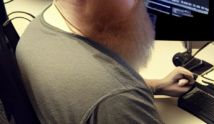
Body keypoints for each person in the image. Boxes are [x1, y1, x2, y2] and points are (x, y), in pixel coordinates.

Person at [16, 0, 195, 123]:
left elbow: (87, 93)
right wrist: (128, 92)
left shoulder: (41, 26)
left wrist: (156, 86)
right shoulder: (117, 97)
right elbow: (108, 93)